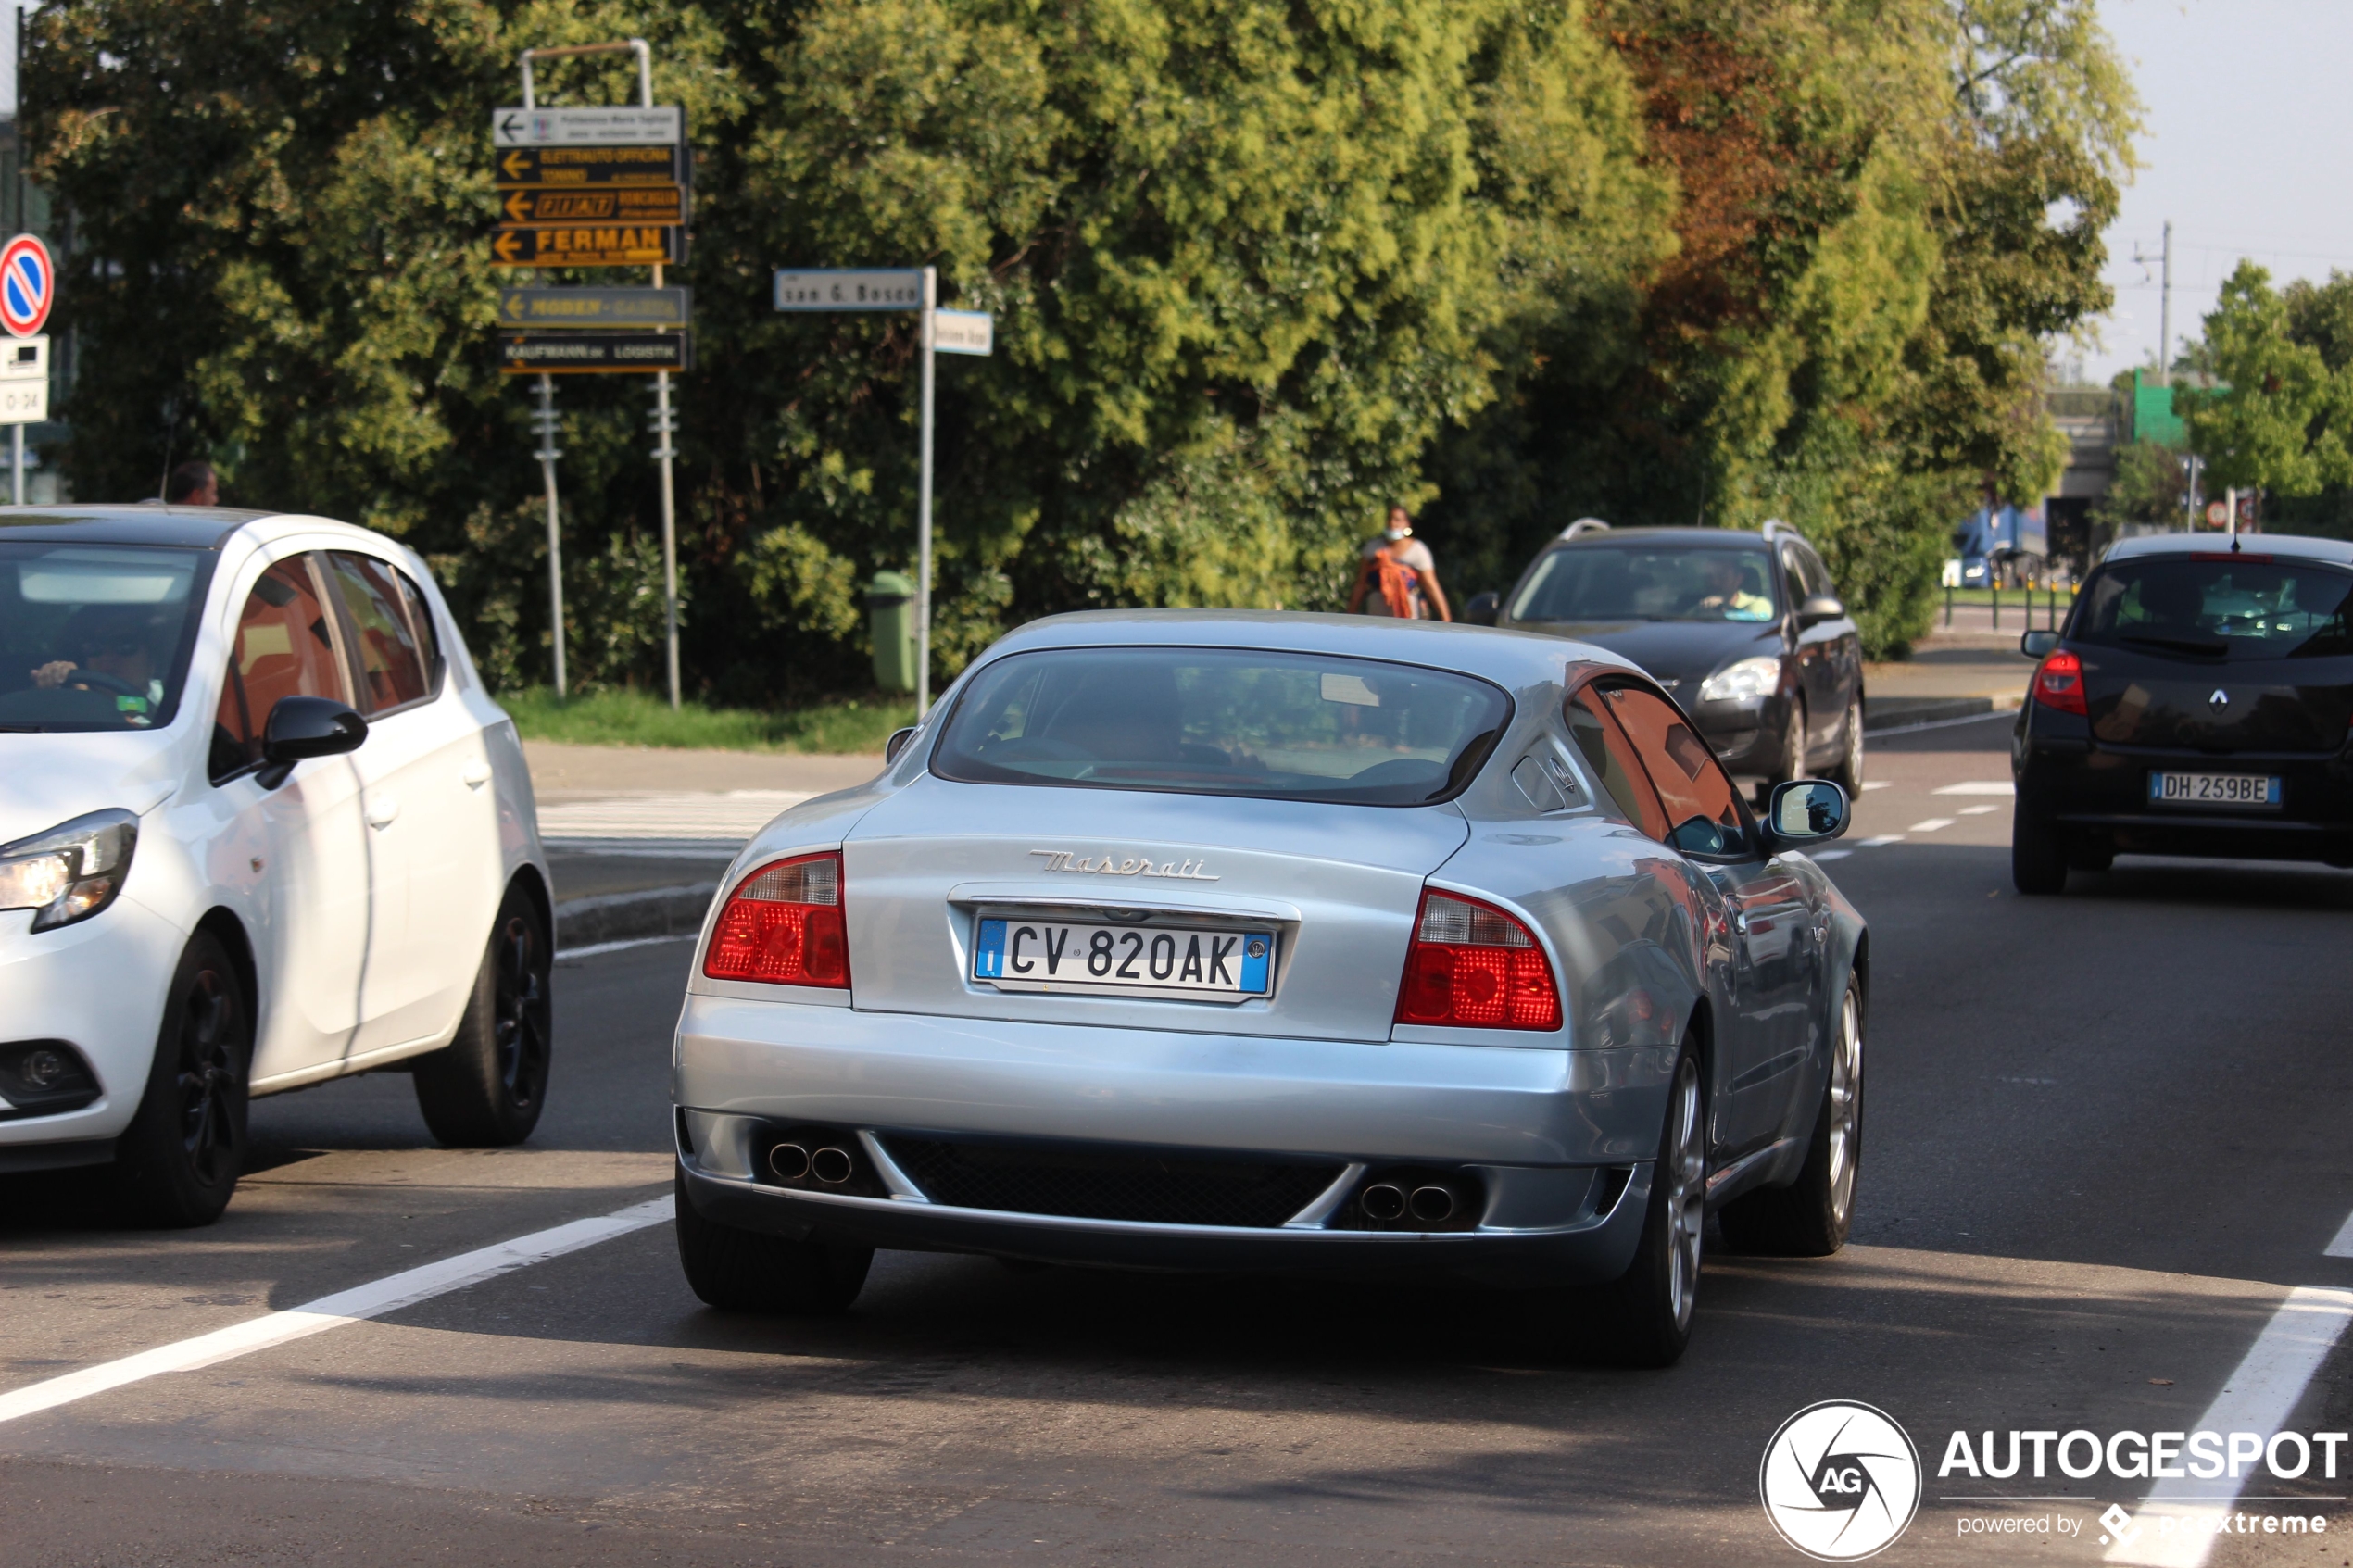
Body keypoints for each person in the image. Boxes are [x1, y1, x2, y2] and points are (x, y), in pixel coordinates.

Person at [30, 604, 171, 718]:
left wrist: (87, 703)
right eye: (94, 646)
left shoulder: (175, 698)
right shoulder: (64, 701)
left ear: (152, 655)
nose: (107, 656)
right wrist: (49, 689)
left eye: (124, 645)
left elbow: (140, 717)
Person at [1346, 507, 1453, 621]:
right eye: (1390, 519)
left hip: (1408, 611)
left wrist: (1445, 619)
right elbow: (1360, 584)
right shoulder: (1372, 549)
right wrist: (1349, 615)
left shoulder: (1417, 550)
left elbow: (1431, 586)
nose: (1393, 523)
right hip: (1377, 611)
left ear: (1406, 523)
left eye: (1397, 520)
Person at [1693, 555, 1773, 621]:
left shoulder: (1758, 604)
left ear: (1738, 578)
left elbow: (1761, 618)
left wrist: (1723, 609)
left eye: (1722, 576)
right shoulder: (1696, 607)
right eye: (1710, 577)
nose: (1715, 582)